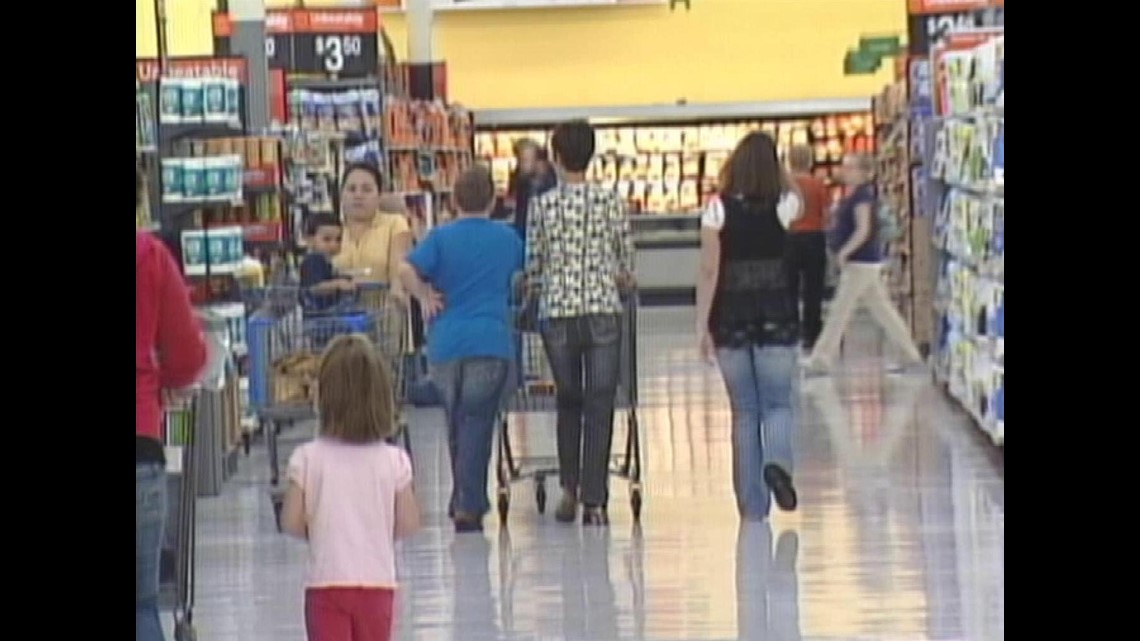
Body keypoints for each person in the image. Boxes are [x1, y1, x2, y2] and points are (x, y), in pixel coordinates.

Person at [397, 165, 523, 533]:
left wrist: (423, 296)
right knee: (477, 422)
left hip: (445, 345)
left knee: (456, 422)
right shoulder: (508, 238)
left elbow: (405, 269)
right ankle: (469, 503)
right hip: (490, 341)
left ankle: (463, 497)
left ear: (453, 199)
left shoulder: (440, 237)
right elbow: (526, 275)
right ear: (494, 199)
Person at [526, 120, 634, 526]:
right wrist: (618, 276)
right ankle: (596, 499)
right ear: (592, 155)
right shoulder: (611, 202)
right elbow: (626, 262)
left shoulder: (543, 206)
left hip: (558, 313)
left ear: (554, 157)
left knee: (568, 399)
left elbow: (533, 265)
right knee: (600, 401)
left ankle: (569, 489)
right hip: (603, 309)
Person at [281, 334, 422, 641]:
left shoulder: (307, 458)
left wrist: (321, 529)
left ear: (324, 396)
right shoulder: (394, 460)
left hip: (325, 585)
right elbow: (409, 523)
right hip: (378, 585)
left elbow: (291, 521)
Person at [694, 131, 804, 521]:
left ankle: (751, 504)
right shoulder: (785, 205)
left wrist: (702, 325)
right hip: (777, 314)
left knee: (744, 412)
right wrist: (781, 173)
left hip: (731, 317)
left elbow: (709, 270)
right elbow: (798, 199)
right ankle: (778, 463)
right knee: (777, 403)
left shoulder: (717, 210)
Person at [136, 168, 208, 641]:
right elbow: (187, 355)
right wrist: (165, 378)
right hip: (139, 442)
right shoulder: (148, 255)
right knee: (142, 604)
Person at [804, 152, 923, 374]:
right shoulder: (854, 196)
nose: (844, 171)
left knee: (840, 311)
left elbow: (863, 228)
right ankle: (911, 356)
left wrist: (845, 251)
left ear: (864, 173)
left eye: (850, 168)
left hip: (861, 262)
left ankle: (821, 359)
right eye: (844, 166)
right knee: (883, 311)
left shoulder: (862, 198)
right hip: (865, 262)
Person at [333, 163, 412, 299]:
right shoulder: (331, 230)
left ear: (379, 195)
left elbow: (399, 266)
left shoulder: (395, 224)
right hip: (337, 313)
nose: (358, 195)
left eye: (367, 190)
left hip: (383, 309)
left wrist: (397, 288)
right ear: (341, 195)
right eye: (351, 189)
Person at [785, 144, 831, 352]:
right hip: (814, 238)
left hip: (790, 239)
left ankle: (791, 329)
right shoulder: (818, 185)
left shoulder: (784, 187)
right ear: (810, 161)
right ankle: (811, 333)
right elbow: (827, 215)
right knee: (814, 288)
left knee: (789, 289)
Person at [299, 212, 355, 313]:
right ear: (309, 240)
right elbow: (314, 287)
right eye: (327, 239)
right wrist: (338, 283)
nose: (334, 245)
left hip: (324, 315)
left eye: (338, 239)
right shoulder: (314, 260)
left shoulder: (325, 261)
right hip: (317, 317)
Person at [508, 138, 557, 242]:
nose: (520, 165)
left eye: (524, 160)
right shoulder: (523, 178)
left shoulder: (546, 183)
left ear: (538, 161)